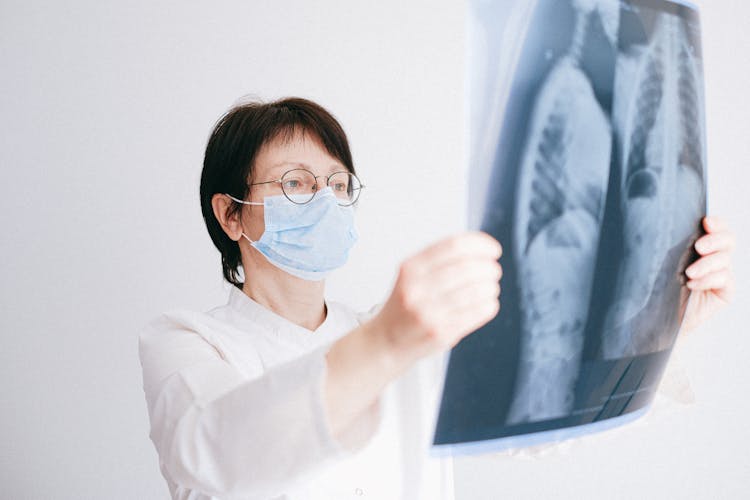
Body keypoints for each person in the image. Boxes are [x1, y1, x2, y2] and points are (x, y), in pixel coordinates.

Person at [138, 97, 735, 500]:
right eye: (296, 183)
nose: (324, 199)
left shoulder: (398, 337)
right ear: (231, 214)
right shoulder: (187, 341)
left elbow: (544, 415)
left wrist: (666, 322)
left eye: (337, 183)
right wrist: (386, 342)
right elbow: (215, 462)